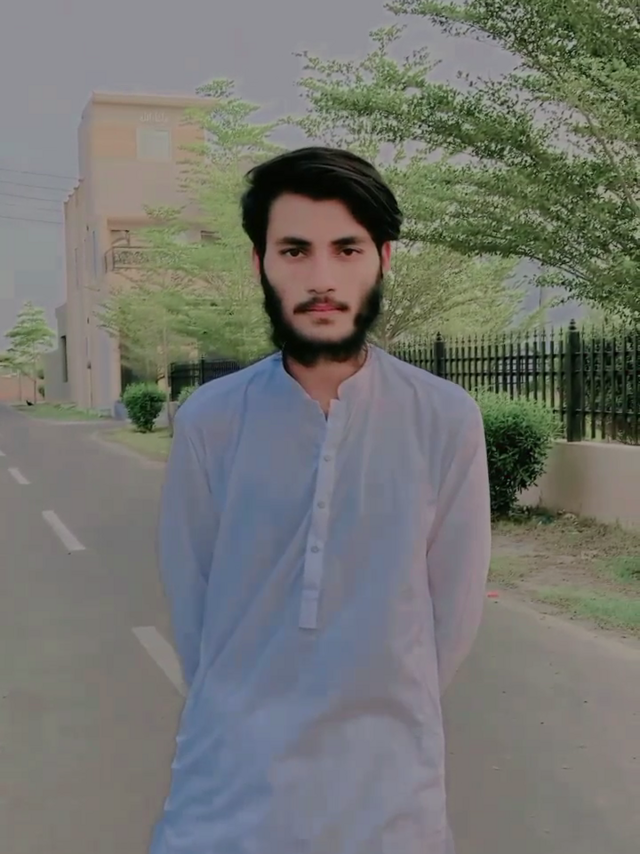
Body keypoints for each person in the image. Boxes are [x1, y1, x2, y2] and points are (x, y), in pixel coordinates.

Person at [150, 147, 491, 854]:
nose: (322, 278)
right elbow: (193, 600)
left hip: (390, 788)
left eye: (347, 249)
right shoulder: (212, 419)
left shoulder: (443, 418)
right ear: (260, 264)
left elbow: (452, 615)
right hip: (229, 780)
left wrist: (387, 708)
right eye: (295, 250)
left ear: (383, 259)